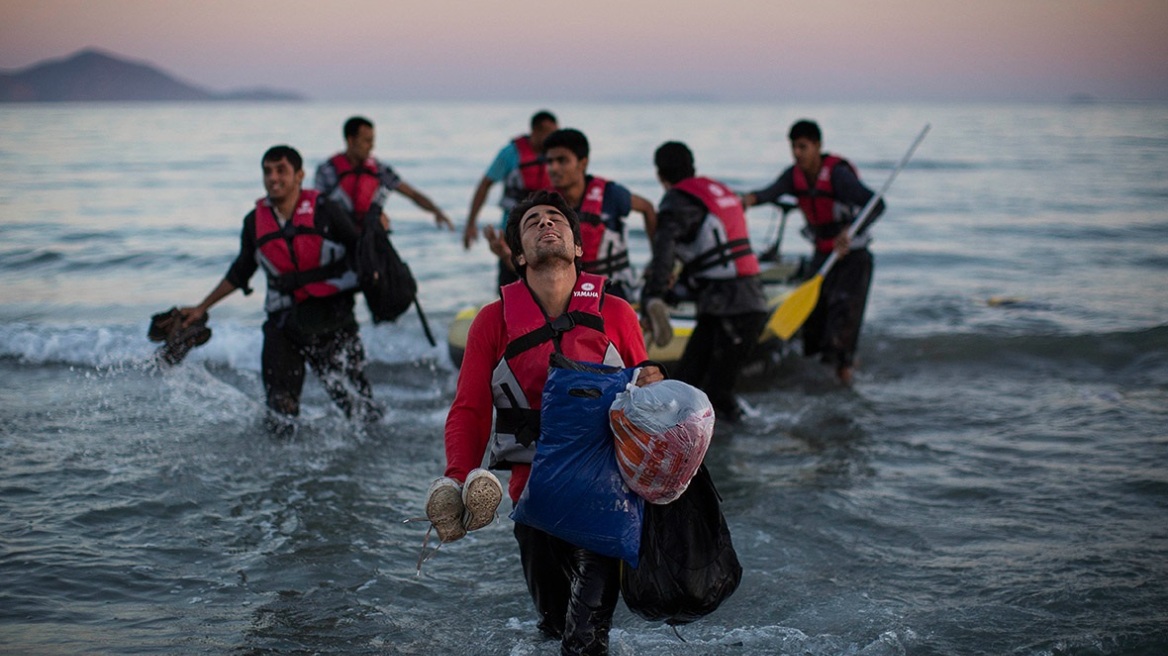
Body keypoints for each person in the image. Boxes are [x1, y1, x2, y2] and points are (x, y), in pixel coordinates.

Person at [430, 189, 664, 655]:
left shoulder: (616, 313)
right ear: (518, 254)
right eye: (532, 221)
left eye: (555, 218)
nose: (545, 223)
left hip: (607, 501)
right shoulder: (491, 322)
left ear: (578, 246)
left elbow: (651, 411)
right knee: (552, 627)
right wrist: (458, 479)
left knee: (583, 643)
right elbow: (470, 410)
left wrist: (657, 387)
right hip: (532, 500)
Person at [179, 145, 380, 435]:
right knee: (280, 413)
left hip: (332, 322)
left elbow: (361, 252)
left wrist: (376, 231)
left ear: (299, 175)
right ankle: (284, 476)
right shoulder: (253, 222)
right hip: (283, 325)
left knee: (357, 407)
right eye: (267, 171)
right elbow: (240, 271)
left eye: (281, 170)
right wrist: (201, 308)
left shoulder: (326, 211)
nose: (273, 178)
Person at [741, 119, 883, 385]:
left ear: (817, 146)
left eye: (803, 147)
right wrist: (747, 200)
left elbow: (877, 204)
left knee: (843, 314)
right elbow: (771, 192)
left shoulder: (838, 176)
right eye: (794, 147)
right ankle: (826, 369)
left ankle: (845, 375)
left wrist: (850, 231)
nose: (797, 153)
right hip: (822, 254)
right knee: (815, 318)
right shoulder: (794, 175)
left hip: (852, 257)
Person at [641, 141, 768, 423]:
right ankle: (695, 445)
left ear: (661, 175)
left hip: (731, 308)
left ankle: (744, 443)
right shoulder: (716, 191)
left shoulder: (676, 202)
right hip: (742, 302)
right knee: (686, 385)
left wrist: (653, 296)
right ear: (693, 167)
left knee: (715, 394)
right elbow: (709, 254)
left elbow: (664, 254)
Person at [540, 127, 657, 301]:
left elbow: (647, 208)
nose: (553, 168)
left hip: (613, 287)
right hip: (568, 291)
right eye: (550, 161)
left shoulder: (610, 195)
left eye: (562, 160)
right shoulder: (546, 203)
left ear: (582, 163)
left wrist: (657, 261)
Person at [462, 110, 559, 290]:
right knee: (510, 285)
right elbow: (484, 185)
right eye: (549, 133)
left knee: (547, 282)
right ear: (536, 131)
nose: (554, 138)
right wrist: (471, 223)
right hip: (514, 232)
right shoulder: (510, 154)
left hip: (547, 231)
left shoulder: (556, 157)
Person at [315, 115, 454, 232]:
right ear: (350, 140)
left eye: (372, 141)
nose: (372, 146)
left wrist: (437, 211)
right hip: (339, 235)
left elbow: (412, 194)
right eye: (366, 141)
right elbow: (318, 207)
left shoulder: (380, 170)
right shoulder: (327, 170)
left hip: (372, 235)